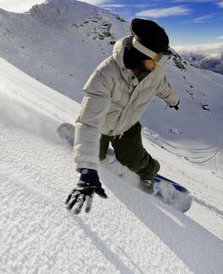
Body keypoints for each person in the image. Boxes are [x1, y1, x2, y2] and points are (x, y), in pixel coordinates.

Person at [65, 18, 180, 214]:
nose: (159, 65)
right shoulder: (105, 75)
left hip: (127, 126)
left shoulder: (154, 73)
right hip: (101, 126)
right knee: (96, 157)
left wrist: (173, 100)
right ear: (140, 54)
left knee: (134, 162)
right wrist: (87, 169)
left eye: (163, 60)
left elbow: (163, 87)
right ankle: (89, 147)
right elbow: (89, 122)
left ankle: (150, 172)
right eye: (158, 59)